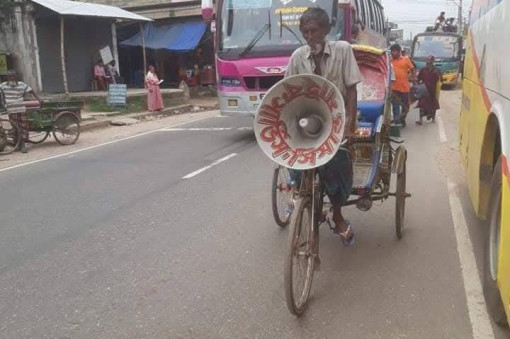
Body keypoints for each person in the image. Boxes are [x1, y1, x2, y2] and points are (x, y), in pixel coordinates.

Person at [285, 7, 363, 246]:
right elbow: (287, 91)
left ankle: (337, 215)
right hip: (307, 118)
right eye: (305, 32)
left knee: (338, 164)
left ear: (326, 30)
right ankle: (300, 194)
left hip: (337, 118)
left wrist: (349, 123)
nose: (310, 36)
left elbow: (351, 88)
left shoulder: (343, 50)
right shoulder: (298, 56)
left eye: (314, 30)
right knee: (293, 157)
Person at [0, 70, 43, 153]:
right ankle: (17, 144)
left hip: (21, 109)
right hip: (11, 110)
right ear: (7, 77)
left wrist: (39, 99)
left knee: (23, 126)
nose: (12, 77)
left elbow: (31, 91)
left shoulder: (22, 84)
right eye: (10, 76)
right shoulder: (2, 86)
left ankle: (23, 145)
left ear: (16, 77)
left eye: (13, 76)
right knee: (15, 127)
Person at [390, 44, 415, 127]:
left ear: (399, 51)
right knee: (395, 106)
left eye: (395, 51)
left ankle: (402, 118)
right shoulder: (390, 61)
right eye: (392, 51)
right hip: (394, 88)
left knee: (406, 106)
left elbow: (412, 68)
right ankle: (397, 123)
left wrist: (414, 78)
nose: (393, 53)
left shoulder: (406, 59)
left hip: (404, 87)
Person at [416, 55, 441, 125]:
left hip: (433, 90)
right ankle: (420, 120)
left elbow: (440, 80)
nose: (428, 61)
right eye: (427, 60)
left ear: (433, 61)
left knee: (433, 104)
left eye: (429, 60)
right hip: (424, 90)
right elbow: (418, 78)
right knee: (421, 104)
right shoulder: (423, 70)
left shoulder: (436, 70)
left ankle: (433, 118)